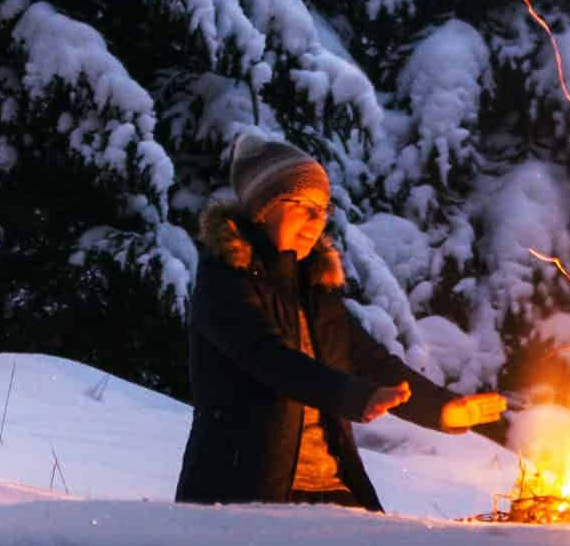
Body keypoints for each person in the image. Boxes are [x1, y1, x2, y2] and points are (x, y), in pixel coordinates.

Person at [176, 134, 507, 510]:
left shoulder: (316, 291)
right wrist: (355, 397)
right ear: (263, 207)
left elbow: (372, 361)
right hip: (242, 494)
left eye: (323, 210)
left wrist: (442, 409)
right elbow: (271, 361)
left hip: (331, 490)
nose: (317, 222)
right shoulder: (224, 280)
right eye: (304, 206)